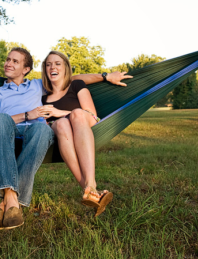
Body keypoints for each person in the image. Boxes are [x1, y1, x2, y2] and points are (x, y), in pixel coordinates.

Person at [0, 47, 131, 230]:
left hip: (39, 131)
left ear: (26, 69)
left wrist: (105, 76)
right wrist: (28, 114)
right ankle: (11, 200)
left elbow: (72, 79)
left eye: (15, 61)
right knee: (3, 120)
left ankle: (8, 200)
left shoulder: (37, 86)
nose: (8, 63)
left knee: (43, 128)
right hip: (8, 131)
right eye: (7, 60)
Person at [39, 51, 132, 217]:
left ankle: (90, 183)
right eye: (48, 64)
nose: (52, 66)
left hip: (84, 120)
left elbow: (89, 112)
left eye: (58, 63)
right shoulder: (43, 96)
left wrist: (106, 76)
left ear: (66, 68)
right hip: (61, 131)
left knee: (76, 114)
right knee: (61, 123)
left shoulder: (75, 85)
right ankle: (91, 191)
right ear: (45, 69)